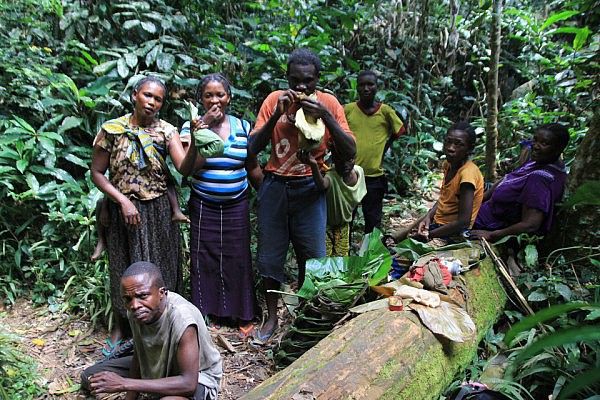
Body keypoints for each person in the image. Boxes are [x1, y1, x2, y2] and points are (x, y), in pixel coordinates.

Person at [250, 48, 356, 340]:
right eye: (295, 80)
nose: (301, 88)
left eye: (308, 81)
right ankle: (271, 319)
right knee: (270, 256)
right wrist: (275, 116)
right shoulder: (274, 100)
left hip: (311, 188)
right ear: (287, 77)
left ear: (317, 80)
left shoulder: (329, 103)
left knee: (313, 257)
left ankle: (306, 319)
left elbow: (350, 150)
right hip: (275, 187)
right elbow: (252, 148)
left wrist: (326, 118)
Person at [90, 76, 188, 355]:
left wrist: (197, 142)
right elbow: (97, 172)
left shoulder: (167, 131)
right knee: (123, 266)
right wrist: (122, 201)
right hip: (124, 210)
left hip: (157, 209)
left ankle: (163, 327)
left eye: (158, 99)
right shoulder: (112, 129)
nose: (152, 102)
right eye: (148, 95)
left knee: (160, 266)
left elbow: (183, 167)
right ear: (135, 95)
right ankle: (122, 327)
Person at [179, 73, 263, 338]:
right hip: (204, 202)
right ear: (201, 99)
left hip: (237, 201)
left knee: (238, 257)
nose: (215, 100)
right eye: (208, 95)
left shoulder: (243, 126)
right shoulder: (190, 127)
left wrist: (270, 194)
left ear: (229, 96)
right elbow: (190, 169)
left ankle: (241, 313)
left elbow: (251, 166)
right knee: (206, 257)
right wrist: (203, 129)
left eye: (220, 94)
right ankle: (210, 313)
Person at [81, 262, 222, 400]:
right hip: (154, 364)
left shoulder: (182, 318)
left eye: (143, 296)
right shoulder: (135, 311)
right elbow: (139, 353)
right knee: (91, 377)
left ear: (161, 293)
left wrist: (125, 384)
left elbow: (188, 383)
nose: (135, 305)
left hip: (196, 377)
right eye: (128, 299)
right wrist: (130, 396)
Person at [470, 123, 569, 242]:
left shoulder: (540, 179)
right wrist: (478, 200)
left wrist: (492, 235)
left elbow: (530, 224)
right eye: (535, 140)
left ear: (559, 148)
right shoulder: (538, 161)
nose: (535, 146)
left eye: (544, 143)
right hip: (481, 210)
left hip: (488, 224)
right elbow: (507, 178)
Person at [344, 70, 406, 234]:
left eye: (370, 84)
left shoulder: (385, 111)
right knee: (346, 220)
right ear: (357, 88)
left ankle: (369, 256)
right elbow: (337, 133)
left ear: (377, 87)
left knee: (372, 221)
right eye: (362, 85)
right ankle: (345, 256)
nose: (366, 88)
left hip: (374, 177)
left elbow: (400, 130)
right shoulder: (348, 110)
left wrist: (385, 146)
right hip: (350, 174)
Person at [416, 122, 484, 241]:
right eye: (448, 141)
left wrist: (430, 234)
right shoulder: (449, 164)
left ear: (470, 148)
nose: (450, 148)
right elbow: (445, 198)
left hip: (453, 234)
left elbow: (463, 222)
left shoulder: (467, 174)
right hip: (439, 226)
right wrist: (427, 217)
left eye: (458, 144)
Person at [297, 148, 366, 256]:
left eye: (349, 160)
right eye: (340, 161)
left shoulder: (359, 172)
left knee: (341, 260)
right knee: (325, 259)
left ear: (354, 159)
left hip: (343, 225)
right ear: (334, 161)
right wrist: (314, 165)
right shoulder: (332, 176)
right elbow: (322, 184)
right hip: (325, 226)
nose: (345, 165)